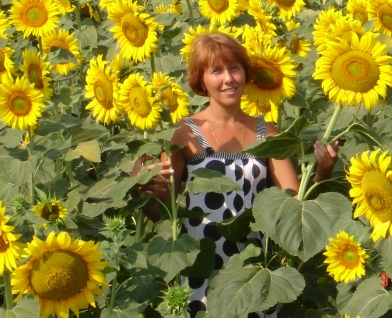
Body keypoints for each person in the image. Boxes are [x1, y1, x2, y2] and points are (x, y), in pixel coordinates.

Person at [131, 32, 338, 318]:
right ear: (201, 80)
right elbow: (163, 214)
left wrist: (323, 172)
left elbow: (294, 208)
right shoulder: (184, 134)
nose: (228, 78)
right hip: (202, 270)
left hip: (252, 274)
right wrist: (140, 186)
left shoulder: (268, 134)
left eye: (234, 68)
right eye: (216, 71)